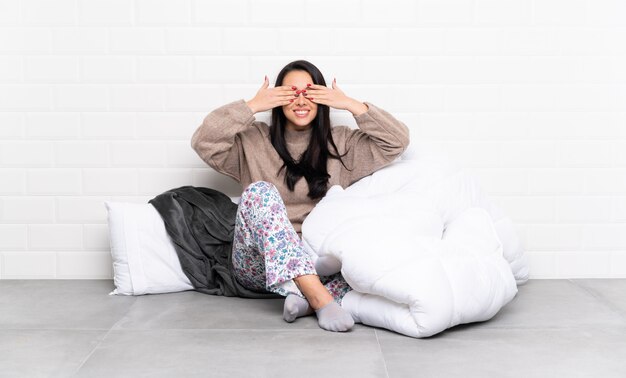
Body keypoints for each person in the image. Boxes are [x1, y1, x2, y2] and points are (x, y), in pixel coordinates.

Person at [191, 59, 410, 332]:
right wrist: (252, 106)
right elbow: (203, 141)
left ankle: (302, 296)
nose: (300, 100)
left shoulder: (342, 143)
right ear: (277, 99)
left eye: (309, 92)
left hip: (321, 261)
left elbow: (397, 141)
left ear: (322, 99)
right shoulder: (252, 140)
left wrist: (350, 104)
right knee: (259, 192)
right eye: (291, 93)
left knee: (371, 254)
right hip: (259, 265)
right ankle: (318, 298)